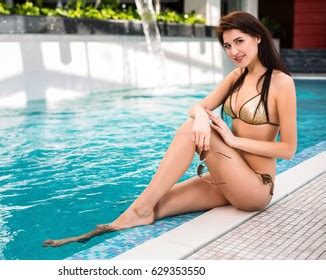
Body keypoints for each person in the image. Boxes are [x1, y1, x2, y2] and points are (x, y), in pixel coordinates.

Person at [43, 11, 297, 247]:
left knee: (189, 132)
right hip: (226, 181)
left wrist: (232, 140)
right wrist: (200, 115)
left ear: (258, 37)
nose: (234, 51)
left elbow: (288, 149)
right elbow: (198, 107)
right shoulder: (236, 77)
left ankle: (138, 213)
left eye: (239, 42)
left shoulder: (281, 83)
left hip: (255, 188)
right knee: (156, 203)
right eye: (228, 46)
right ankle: (97, 233)